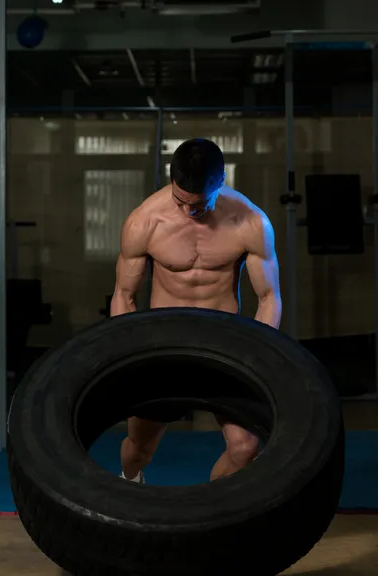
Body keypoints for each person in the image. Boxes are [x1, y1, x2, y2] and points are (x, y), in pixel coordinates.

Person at [110, 138, 282, 483]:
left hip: (223, 346)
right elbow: (123, 295)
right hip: (164, 346)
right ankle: (131, 485)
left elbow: (269, 298)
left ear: (219, 183)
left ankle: (205, 515)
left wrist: (258, 358)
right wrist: (130, 358)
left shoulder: (250, 223)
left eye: (199, 205)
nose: (189, 212)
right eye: (181, 201)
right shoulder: (144, 222)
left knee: (245, 447)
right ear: (173, 182)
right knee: (138, 449)